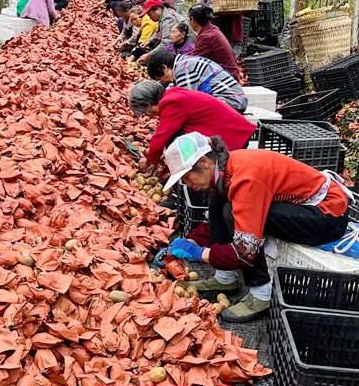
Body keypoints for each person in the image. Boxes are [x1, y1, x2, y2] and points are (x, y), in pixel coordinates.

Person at [160, 132, 351, 322]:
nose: (186, 184)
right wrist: (194, 239)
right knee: (218, 198)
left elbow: (244, 252)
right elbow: (218, 210)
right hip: (301, 207)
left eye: (186, 176)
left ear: (203, 162)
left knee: (233, 210)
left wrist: (200, 253)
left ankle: (261, 294)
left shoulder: (246, 180)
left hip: (327, 216)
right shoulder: (227, 167)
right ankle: (225, 279)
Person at [127, 81, 255, 166]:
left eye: (147, 112)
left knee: (175, 139)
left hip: (232, 136)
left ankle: (195, 179)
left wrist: (150, 161)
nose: (150, 115)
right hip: (233, 130)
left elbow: (161, 137)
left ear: (149, 105)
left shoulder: (171, 103)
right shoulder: (173, 94)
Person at [146, 48, 248, 112]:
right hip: (234, 99)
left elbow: (186, 101)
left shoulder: (183, 68)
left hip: (232, 102)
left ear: (164, 68)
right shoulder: (183, 62)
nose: (164, 81)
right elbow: (175, 88)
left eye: (161, 78)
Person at [189, 4, 241, 81]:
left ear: (192, 20)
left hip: (228, 79)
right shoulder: (212, 29)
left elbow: (193, 60)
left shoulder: (207, 36)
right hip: (228, 74)